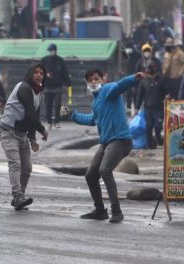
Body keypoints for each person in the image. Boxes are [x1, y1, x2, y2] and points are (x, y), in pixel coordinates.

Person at [62, 69, 139, 223]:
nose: (93, 82)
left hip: (120, 140)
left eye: (96, 78)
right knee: (91, 175)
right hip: (106, 142)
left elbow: (120, 85)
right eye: (90, 80)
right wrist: (72, 114)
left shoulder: (108, 90)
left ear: (104, 78)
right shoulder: (96, 101)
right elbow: (92, 119)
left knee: (104, 170)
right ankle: (100, 210)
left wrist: (134, 78)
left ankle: (116, 211)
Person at [0, 63, 48, 211]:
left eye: (41, 73)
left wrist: (32, 139)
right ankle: (18, 196)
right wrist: (42, 130)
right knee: (15, 164)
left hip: (22, 135)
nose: (39, 75)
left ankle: (19, 199)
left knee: (26, 168)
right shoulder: (24, 87)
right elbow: (30, 114)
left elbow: (33, 115)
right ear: (30, 74)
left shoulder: (38, 92)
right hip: (9, 132)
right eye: (36, 72)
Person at [135, 63, 168, 149]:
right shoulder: (144, 82)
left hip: (159, 108)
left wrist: (168, 97)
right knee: (148, 127)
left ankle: (159, 141)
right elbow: (140, 95)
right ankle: (151, 145)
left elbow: (167, 91)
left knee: (158, 127)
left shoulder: (161, 80)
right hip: (148, 108)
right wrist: (136, 108)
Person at [40, 43, 72, 130]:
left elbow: (65, 72)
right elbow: (39, 72)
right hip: (47, 86)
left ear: (55, 51)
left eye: (52, 50)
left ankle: (57, 121)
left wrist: (68, 83)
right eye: (50, 51)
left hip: (58, 86)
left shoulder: (60, 60)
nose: (51, 52)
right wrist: (45, 75)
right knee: (48, 105)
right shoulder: (44, 60)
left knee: (57, 105)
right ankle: (49, 122)